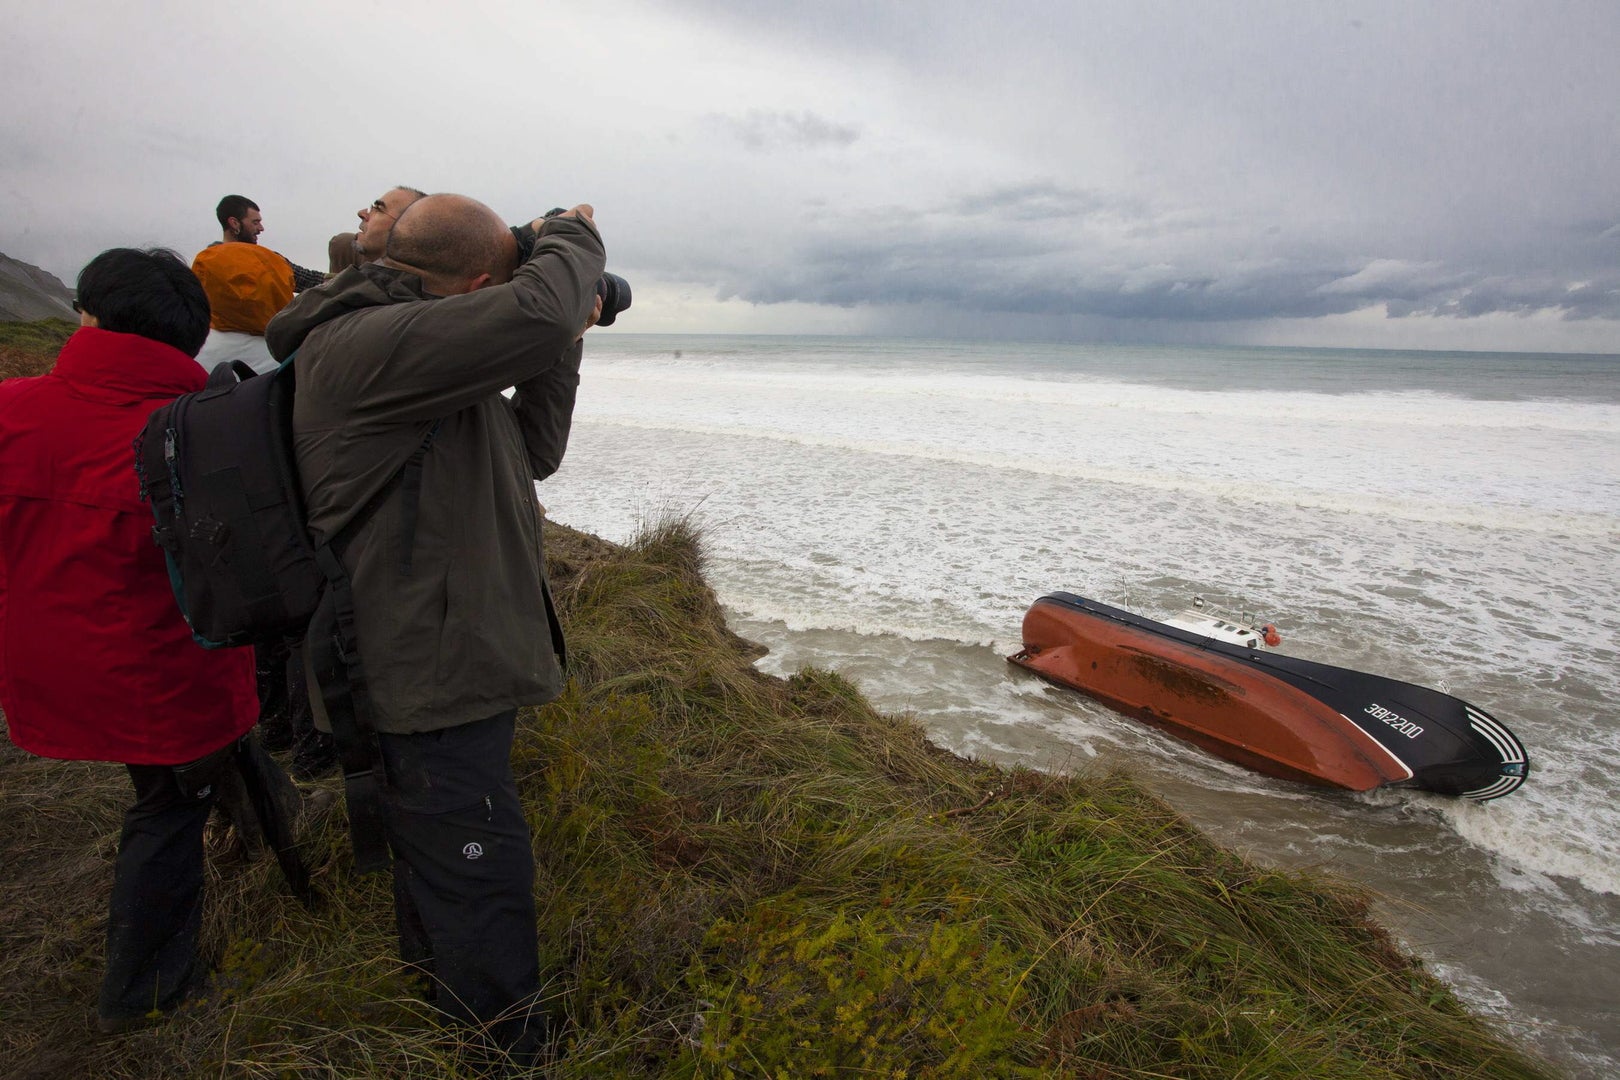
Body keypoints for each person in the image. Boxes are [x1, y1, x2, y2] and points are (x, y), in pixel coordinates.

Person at [265, 193, 604, 1058]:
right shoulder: (370, 343)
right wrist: (569, 233)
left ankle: (443, 1006)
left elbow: (532, 452)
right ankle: (499, 1050)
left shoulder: (422, 357)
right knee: (479, 865)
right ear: (480, 285)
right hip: (421, 659)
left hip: (434, 645)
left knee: (441, 853)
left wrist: (559, 342)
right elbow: (541, 306)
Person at [0, 248, 289, 1033]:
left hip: (42, 661)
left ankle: (277, 827)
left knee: (206, 765)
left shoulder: (11, 408)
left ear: (89, 317)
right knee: (168, 808)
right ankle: (148, 992)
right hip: (170, 674)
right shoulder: (204, 434)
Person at [191, 195, 320, 375]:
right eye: (255, 222)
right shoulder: (271, 260)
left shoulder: (203, 263)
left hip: (213, 355)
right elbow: (311, 280)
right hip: (272, 357)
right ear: (234, 223)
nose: (261, 228)